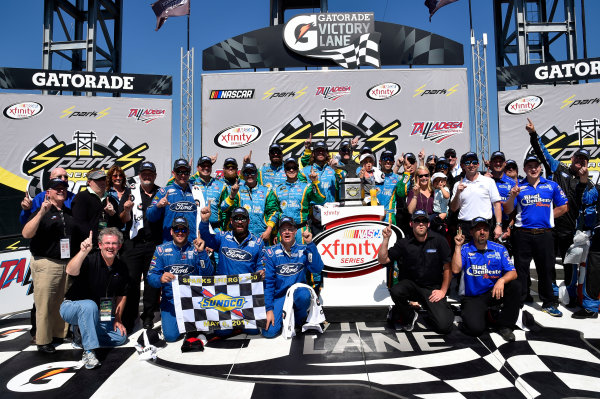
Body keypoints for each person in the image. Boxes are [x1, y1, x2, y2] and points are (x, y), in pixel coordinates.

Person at [526, 118, 598, 305]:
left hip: (571, 232)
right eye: (578, 158)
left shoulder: (588, 183)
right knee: (547, 262)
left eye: (584, 160)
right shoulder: (558, 168)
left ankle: (571, 294)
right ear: (572, 159)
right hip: (550, 226)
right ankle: (551, 294)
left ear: (587, 164)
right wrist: (534, 134)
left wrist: (583, 181)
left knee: (570, 265)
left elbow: (589, 205)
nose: (580, 162)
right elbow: (542, 152)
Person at [22, 178, 82, 353]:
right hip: (46, 263)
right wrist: (41, 212)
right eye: (56, 188)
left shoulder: (69, 212)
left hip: (66, 262)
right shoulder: (42, 211)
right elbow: (26, 233)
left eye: (63, 188)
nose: (61, 191)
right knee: (45, 304)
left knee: (61, 302)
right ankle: (43, 340)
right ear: (48, 193)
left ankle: (58, 334)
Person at [504, 155, 568, 316]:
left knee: (546, 270)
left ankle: (548, 302)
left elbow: (564, 207)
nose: (533, 169)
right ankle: (518, 301)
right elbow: (507, 210)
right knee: (520, 271)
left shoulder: (551, 185)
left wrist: (548, 217)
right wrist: (512, 195)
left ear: (540, 168)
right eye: (529, 166)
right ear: (524, 169)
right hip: (522, 234)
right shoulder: (518, 187)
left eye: (536, 166)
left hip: (545, 234)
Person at [60, 228, 129, 369]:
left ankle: (81, 335)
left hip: (100, 313)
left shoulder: (121, 267)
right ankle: (89, 352)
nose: (111, 246)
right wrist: (83, 251)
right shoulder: (90, 259)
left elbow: (122, 295)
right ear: (100, 245)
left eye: (114, 243)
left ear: (119, 246)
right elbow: (70, 271)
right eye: (107, 243)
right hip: (72, 307)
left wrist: (118, 319)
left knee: (120, 337)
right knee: (89, 306)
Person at [378, 210, 454, 334]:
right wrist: (386, 239)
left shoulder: (439, 240)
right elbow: (383, 259)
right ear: (411, 224)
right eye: (417, 221)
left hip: (431, 289)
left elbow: (448, 268)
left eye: (424, 220)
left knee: (444, 326)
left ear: (428, 224)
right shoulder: (404, 243)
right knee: (396, 291)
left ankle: (439, 309)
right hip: (411, 287)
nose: (420, 224)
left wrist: (443, 291)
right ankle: (409, 313)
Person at [452, 218, 520, 342]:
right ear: (472, 232)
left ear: (489, 232)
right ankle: (483, 314)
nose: (482, 232)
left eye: (485, 229)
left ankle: (505, 325)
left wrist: (502, 280)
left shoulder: (500, 249)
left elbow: (513, 273)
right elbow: (456, 270)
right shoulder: (464, 249)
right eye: (478, 229)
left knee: (515, 285)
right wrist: (457, 247)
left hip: (493, 293)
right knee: (475, 330)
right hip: (473, 297)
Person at [147, 217, 213, 342]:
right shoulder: (160, 250)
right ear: (171, 231)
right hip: (171, 301)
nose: (180, 232)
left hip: (194, 300)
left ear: (188, 232)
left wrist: (202, 253)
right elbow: (151, 277)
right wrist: (160, 278)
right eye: (177, 229)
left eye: (183, 229)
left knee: (204, 331)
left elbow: (208, 275)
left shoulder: (196, 248)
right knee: (171, 337)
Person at [118, 161, 163, 331]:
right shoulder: (130, 192)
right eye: (144, 173)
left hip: (154, 244)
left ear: (155, 175)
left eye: (150, 173)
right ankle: (130, 317)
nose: (147, 176)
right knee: (131, 283)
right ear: (139, 175)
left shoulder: (161, 192)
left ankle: (148, 316)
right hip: (133, 244)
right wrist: (127, 210)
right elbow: (122, 219)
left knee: (151, 283)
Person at [262, 217, 324, 338]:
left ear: (296, 231)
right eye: (284, 229)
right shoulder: (271, 253)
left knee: (303, 295)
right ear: (279, 232)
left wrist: (310, 244)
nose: (287, 232)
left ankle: (299, 318)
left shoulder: (304, 249)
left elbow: (317, 268)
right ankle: (286, 317)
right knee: (269, 332)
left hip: (298, 295)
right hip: (279, 297)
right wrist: (268, 309)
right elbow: (268, 283)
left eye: (290, 229)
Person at [147, 158, 204, 242]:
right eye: (179, 172)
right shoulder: (164, 192)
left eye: (186, 172)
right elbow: (149, 216)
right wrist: (158, 206)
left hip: (192, 244)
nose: (183, 175)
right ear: (173, 173)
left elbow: (203, 218)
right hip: (170, 244)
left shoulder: (196, 191)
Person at [450, 152, 503, 241]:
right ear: (463, 166)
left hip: (484, 225)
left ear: (478, 165)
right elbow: (454, 208)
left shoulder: (488, 181)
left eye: (474, 162)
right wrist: (458, 193)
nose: (471, 165)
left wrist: (498, 225)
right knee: (464, 254)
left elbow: (497, 204)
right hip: (465, 227)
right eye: (467, 163)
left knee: (485, 254)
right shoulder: (457, 185)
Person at [222, 162, 279, 243]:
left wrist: (269, 230)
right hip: (241, 237)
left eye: (252, 172)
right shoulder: (236, 190)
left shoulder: (267, 191)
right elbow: (223, 209)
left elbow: (273, 212)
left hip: (262, 236)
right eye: (246, 173)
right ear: (243, 175)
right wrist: (232, 196)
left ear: (256, 174)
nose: (249, 175)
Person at [199, 206, 265, 276]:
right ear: (231, 221)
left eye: (243, 219)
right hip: (224, 285)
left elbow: (261, 265)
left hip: (246, 286)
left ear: (248, 221)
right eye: (236, 219)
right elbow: (205, 239)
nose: (240, 222)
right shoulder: (222, 237)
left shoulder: (258, 243)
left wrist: (261, 271)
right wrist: (204, 221)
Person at [274, 156, 325, 243]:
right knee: (282, 256)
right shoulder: (277, 189)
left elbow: (321, 199)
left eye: (294, 167)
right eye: (288, 168)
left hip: (301, 230)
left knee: (302, 256)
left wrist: (315, 182)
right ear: (285, 170)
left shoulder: (306, 186)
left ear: (298, 170)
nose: (291, 170)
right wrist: (275, 233)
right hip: (283, 231)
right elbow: (275, 212)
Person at [71, 168, 122, 245]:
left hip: (107, 246)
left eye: (104, 179)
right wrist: (93, 241)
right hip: (88, 246)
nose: (102, 182)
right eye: (98, 179)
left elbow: (119, 226)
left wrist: (113, 214)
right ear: (89, 182)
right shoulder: (81, 197)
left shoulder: (111, 200)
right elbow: (78, 224)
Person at [488, 151, 516, 244]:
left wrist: (509, 227)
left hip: (504, 224)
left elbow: (514, 209)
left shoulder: (511, 183)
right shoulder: (484, 180)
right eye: (495, 161)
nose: (498, 164)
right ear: (491, 163)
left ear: (505, 163)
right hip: (486, 223)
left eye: (500, 161)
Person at [193, 155, 227, 232]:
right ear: (197, 167)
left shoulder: (221, 185)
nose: (206, 168)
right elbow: (173, 182)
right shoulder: (191, 183)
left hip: (215, 228)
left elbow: (225, 210)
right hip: (196, 228)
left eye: (208, 165)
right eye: (203, 166)